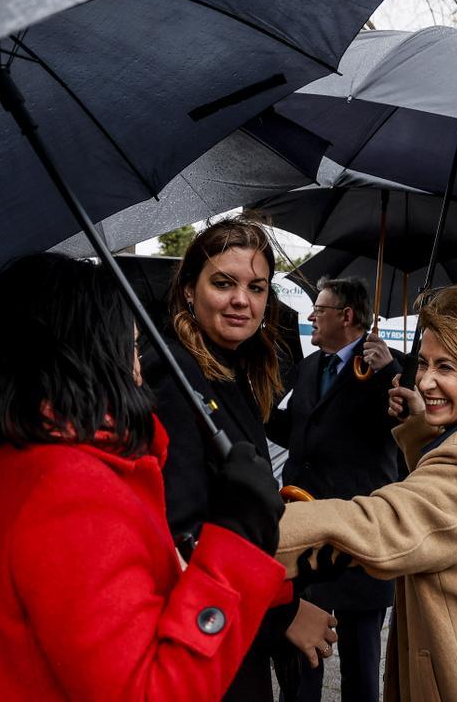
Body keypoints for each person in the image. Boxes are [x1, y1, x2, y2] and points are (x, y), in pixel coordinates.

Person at [0, 253, 290, 700]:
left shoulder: (15, 453)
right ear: (88, 350)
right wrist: (237, 539)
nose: (138, 370)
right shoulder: (72, 490)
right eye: (131, 347)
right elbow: (148, 691)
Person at [276, 284, 457, 702]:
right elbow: (452, 509)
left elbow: (387, 524)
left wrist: (258, 529)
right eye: (424, 363)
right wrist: (421, 430)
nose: (426, 380)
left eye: (447, 367)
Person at [144, 217, 339, 701]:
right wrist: (283, 615)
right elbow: (180, 534)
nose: (242, 301)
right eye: (223, 283)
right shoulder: (174, 375)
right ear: (189, 289)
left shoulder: (233, 371)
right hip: (205, 640)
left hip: (234, 628)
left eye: (256, 287)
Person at [267, 276, 401, 702]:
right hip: (305, 529)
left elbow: (410, 426)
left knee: (361, 664)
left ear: (346, 316)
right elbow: (301, 433)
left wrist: (391, 373)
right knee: (302, 658)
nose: (310, 317)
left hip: (356, 537)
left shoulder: (388, 367)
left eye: (319, 310)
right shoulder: (309, 366)